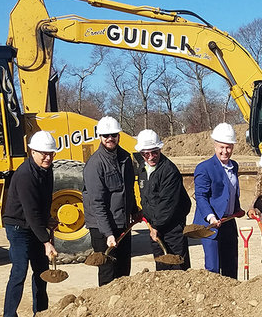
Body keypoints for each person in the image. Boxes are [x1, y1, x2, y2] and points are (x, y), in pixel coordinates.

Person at [1, 130, 59, 317]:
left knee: (42, 271)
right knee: (19, 270)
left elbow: (42, 203)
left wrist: (48, 219)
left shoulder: (47, 169)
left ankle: (41, 315)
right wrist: (46, 241)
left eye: (51, 153)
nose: (47, 157)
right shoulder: (25, 174)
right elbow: (30, 211)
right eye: (43, 153)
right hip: (18, 227)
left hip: (33, 224)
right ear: (32, 152)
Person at [83, 115, 140, 286]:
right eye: (106, 136)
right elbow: (97, 203)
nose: (110, 139)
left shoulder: (125, 158)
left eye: (113, 135)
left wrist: (135, 210)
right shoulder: (95, 164)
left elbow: (128, 189)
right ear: (100, 137)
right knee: (108, 271)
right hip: (102, 227)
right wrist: (108, 233)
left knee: (124, 270)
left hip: (122, 222)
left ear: (118, 136)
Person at [134, 129, 191, 271]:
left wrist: (156, 227)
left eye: (155, 152)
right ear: (141, 153)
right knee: (161, 266)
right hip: (155, 225)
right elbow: (146, 196)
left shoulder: (169, 171)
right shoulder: (142, 168)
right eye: (147, 154)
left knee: (178, 264)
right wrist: (143, 213)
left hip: (173, 226)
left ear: (160, 149)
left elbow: (167, 204)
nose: (151, 157)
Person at [193, 123, 244, 278]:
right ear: (215, 145)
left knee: (230, 268)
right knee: (213, 270)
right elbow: (201, 196)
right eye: (221, 147)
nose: (225, 151)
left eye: (228, 147)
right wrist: (211, 217)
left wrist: (237, 209)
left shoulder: (234, 166)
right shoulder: (204, 168)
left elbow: (230, 191)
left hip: (228, 223)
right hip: (211, 226)